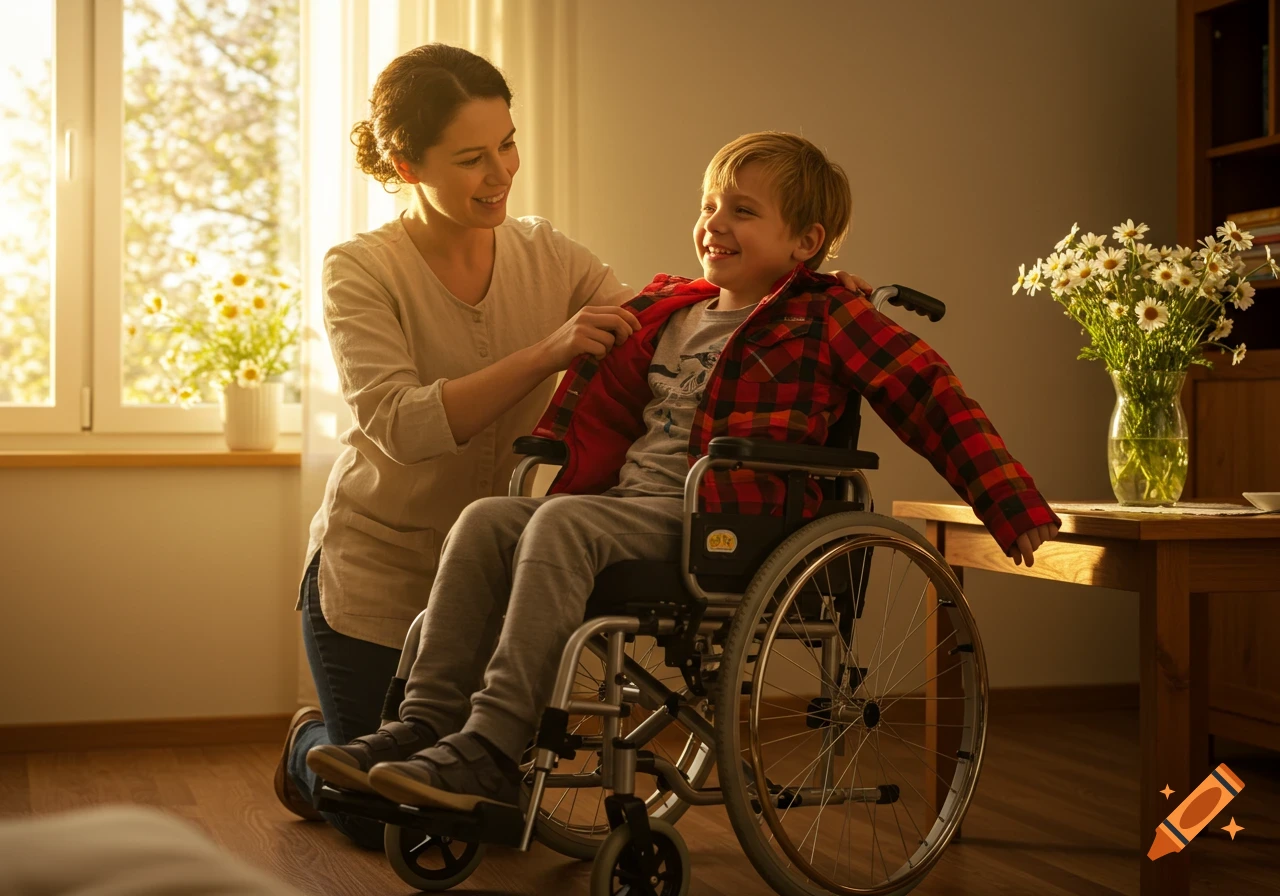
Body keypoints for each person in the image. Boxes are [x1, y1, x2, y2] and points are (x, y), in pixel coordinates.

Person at [305, 131, 1062, 813]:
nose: (715, 223)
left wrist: (1009, 504)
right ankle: (424, 725)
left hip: (732, 522)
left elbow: (928, 393)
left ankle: (496, 745)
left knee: (566, 522)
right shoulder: (671, 307)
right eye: (709, 205)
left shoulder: (827, 317)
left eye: (742, 210)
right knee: (487, 519)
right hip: (640, 509)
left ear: (806, 240)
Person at [274, 45, 871, 846]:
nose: (501, 173)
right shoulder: (361, 268)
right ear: (406, 163)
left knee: (478, 816)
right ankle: (309, 747)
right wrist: (548, 351)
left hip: (509, 563)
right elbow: (403, 424)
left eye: (508, 144)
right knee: (373, 817)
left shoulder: (546, 252)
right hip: (383, 566)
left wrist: (817, 294)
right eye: (472, 157)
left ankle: (445, 745)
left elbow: (678, 322)